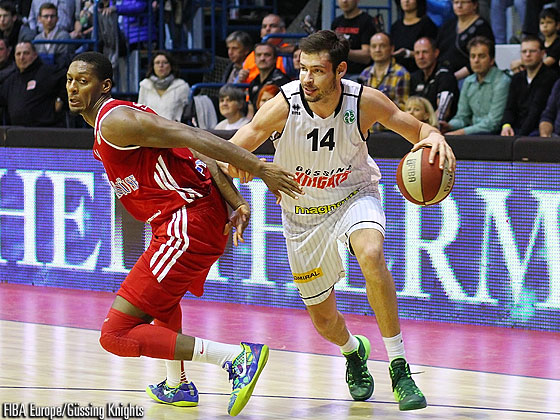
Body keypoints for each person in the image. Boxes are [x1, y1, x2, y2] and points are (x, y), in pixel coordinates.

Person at [227, 29, 456, 411]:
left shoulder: (363, 101)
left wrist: (436, 137)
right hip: (303, 216)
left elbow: (418, 128)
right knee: (324, 320)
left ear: (340, 70)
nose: (307, 78)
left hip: (354, 196)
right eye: (303, 69)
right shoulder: (283, 104)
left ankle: (399, 367)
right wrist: (241, 166)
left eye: (317, 70)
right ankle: (353, 351)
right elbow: (231, 150)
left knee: (371, 253)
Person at [66, 51, 302, 415]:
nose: (73, 88)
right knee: (164, 302)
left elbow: (193, 134)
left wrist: (258, 167)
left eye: (83, 81)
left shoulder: (115, 121)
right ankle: (176, 384)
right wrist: (236, 200)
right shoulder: (113, 122)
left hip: (186, 223)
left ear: (105, 86)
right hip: (191, 218)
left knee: (115, 334)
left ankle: (235, 358)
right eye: (69, 80)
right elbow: (192, 151)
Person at [440, 36, 511, 135]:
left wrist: (460, 133)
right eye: (473, 56)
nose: (476, 60)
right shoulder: (468, 81)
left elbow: (493, 123)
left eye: (481, 56)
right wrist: (449, 126)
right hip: (473, 134)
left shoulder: (502, 81)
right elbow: (462, 117)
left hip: (496, 135)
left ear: (492, 60)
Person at [501, 35, 558, 137]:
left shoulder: (550, 77)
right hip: (516, 129)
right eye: (524, 51)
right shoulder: (517, 78)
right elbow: (510, 107)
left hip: (536, 130)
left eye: (532, 51)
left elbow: (536, 111)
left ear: (543, 53)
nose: (527, 55)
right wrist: (506, 126)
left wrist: (518, 137)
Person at [0, 41, 66, 126]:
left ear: (35, 55)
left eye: (26, 53)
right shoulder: (11, 80)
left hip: (45, 129)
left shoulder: (46, 72)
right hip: (17, 131)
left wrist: (61, 99)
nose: (21, 57)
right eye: (18, 54)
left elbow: (69, 79)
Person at [436, 0, 494, 80]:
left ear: (474, 5)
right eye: (456, 2)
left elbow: (482, 59)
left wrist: (453, 78)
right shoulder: (447, 26)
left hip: (470, 76)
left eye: (464, 2)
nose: (459, 6)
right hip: (444, 73)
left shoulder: (482, 27)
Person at [358, 32, 410, 116]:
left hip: (390, 122)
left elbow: (402, 108)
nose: (377, 50)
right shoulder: (365, 73)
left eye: (382, 46)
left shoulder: (401, 73)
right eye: (374, 46)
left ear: (392, 49)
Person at [410, 37, 459, 121]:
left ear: (436, 53)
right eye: (417, 53)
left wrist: (425, 126)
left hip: (440, 126)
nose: (421, 57)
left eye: (425, 52)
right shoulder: (415, 77)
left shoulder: (445, 76)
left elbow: (443, 112)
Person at [239, 14, 293, 83]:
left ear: (283, 30)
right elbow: (237, 84)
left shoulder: (290, 53)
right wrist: (241, 78)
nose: (267, 29)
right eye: (264, 26)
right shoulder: (251, 55)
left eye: (273, 26)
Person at [137, 50, 190, 122]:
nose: (161, 66)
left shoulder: (182, 86)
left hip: (173, 127)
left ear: (171, 66)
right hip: (150, 127)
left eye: (165, 63)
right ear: (153, 66)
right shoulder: (145, 85)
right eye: (157, 63)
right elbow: (140, 111)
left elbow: (186, 113)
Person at [390, 0, 438, 72]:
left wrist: (408, 53)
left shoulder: (427, 24)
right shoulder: (395, 26)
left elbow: (431, 53)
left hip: (419, 71)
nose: (406, 1)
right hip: (398, 72)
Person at [331, 0, 375, 76]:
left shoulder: (367, 21)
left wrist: (341, 51)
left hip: (360, 74)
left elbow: (366, 56)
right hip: (339, 73)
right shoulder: (336, 22)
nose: (344, 1)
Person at [247, 42, 290, 110]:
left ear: (275, 59)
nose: (262, 58)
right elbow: (251, 111)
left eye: (267, 55)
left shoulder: (282, 82)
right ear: (254, 59)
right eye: (258, 55)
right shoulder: (253, 82)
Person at [33, 2, 74, 68]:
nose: (49, 20)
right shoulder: (37, 39)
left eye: (52, 16)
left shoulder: (64, 37)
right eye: (46, 16)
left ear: (57, 19)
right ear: (39, 19)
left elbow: (63, 63)